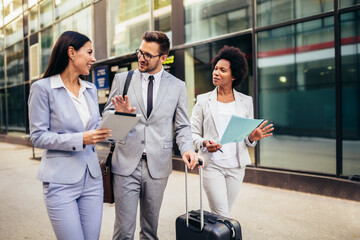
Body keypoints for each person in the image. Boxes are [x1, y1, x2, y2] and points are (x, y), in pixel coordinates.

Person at [103, 30, 198, 240]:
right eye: (140, 51)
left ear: (163, 57)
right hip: (125, 164)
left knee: (149, 231)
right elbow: (107, 123)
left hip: (158, 166)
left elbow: (182, 126)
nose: (141, 58)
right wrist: (121, 116)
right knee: (123, 232)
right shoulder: (122, 79)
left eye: (148, 55)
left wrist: (188, 149)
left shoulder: (177, 86)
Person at [28, 31, 112, 240]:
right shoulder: (42, 88)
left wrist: (121, 117)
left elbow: (97, 129)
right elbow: (37, 136)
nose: (93, 59)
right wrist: (80, 139)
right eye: (90, 52)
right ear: (71, 52)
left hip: (92, 179)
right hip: (60, 181)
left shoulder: (90, 89)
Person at [191, 45, 274, 217]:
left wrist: (252, 137)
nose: (216, 72)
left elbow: (247, 139)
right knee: (222, 214)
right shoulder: (203, 100)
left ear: (234, 75)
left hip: (236, 167)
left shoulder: (246, 101)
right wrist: (204, 143)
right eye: (215, 68)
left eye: (222, 70)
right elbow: (191, 133)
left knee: (223, 215)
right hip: (212, 165)